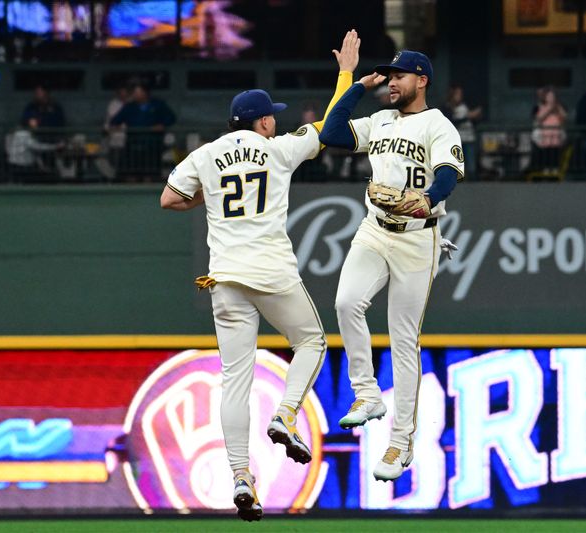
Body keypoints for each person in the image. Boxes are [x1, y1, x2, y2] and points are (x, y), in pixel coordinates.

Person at [159, 30, 359, 522]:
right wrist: (347, 74)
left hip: (224, 278)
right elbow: (331, 125)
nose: (277, 119)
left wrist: (209, 195)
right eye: (274, 114)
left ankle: (240, 477)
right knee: (310, 341)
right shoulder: (280, 148)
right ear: (264, 120)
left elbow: (168, 199)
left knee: (234, 382)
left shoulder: (206, 154)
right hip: (271, 272)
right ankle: (285, 415)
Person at [319, 50, 463, 482]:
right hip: (375, 228)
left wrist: (428, 199)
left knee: (403, 340)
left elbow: (448, 174)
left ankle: (400, 442)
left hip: (419, 237)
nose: (391, 82)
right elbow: (332, 133)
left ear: (422, 80)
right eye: (390, 75)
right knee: (346, 303)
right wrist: (356, 85)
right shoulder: (380, 121)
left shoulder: (438, 124)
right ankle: (366, 394)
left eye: (400, 75)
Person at [110, 82, 176, 181]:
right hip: (133, 144)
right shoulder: (129, 106)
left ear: (145, 93)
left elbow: (171, 118)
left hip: (152, 144)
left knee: (150, 172)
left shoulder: (158, 104)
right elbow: (115, 121)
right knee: (130, 172)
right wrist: (116, 127)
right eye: (134, 92)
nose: (135, 95)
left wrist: (162, 125)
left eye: (138, 92)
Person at [6, 118, 62, 183]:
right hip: (20, 166)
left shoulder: (21, 134)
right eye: (33, 124)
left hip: (18, 164)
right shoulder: (23, 134)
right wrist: (55, 146)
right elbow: (37, 147)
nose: (36, 126)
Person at [442, 84, 481, 177]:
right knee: (456, 159)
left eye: (460, 94)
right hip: (456, 138)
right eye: (457, 94)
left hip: (469, 137)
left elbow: (474, 121)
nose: (459, 96)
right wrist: (467, 117)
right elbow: (451, 121)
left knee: (470, 159)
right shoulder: (448, 107)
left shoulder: (465, 105)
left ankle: (472, 175)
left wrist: (475, 117)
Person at [530, 86, 567, 174]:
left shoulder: (559, 107)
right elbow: (539, 119)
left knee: (555, 151)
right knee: (546, 151)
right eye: (549, 97)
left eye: (552, 97)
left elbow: (563, 118)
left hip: (556, 133)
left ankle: (555, 168)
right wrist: (549, 110)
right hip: (546, 133)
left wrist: (557, 109)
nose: (551, 99)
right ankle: (546, 168)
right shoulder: (541, 107)